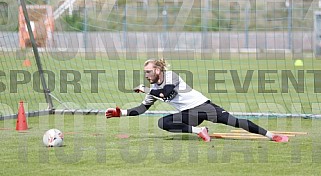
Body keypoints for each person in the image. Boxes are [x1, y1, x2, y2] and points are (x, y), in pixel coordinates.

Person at [105, 59, 289, 143]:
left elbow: (165, 94)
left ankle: (272, 136)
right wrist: (121, 113)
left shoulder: (171, 77)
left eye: (148, 71)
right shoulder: (153, 88)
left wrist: (145, 89)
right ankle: (200, 130)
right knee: (163, 122)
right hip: (188, 115)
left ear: (158, 71)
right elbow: (142, 108)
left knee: (235, 122)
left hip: (203, 106)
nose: (146, 75)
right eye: (145, 72)